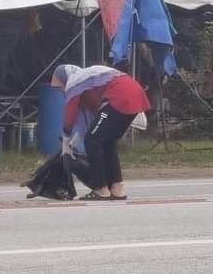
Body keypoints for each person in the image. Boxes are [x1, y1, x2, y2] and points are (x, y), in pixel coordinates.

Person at [51, 64, 150, 201]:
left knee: (92, 140)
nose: (62, 91)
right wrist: (73, 143)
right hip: (134, 93)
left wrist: (66, 141)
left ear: (64, 79)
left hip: (121, 95)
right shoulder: (87, 81)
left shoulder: (74, 82)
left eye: (60, 87)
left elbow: (70, 113)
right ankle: (117, 188)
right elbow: (95, 121)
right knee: (107, 141)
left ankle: (101, 189)